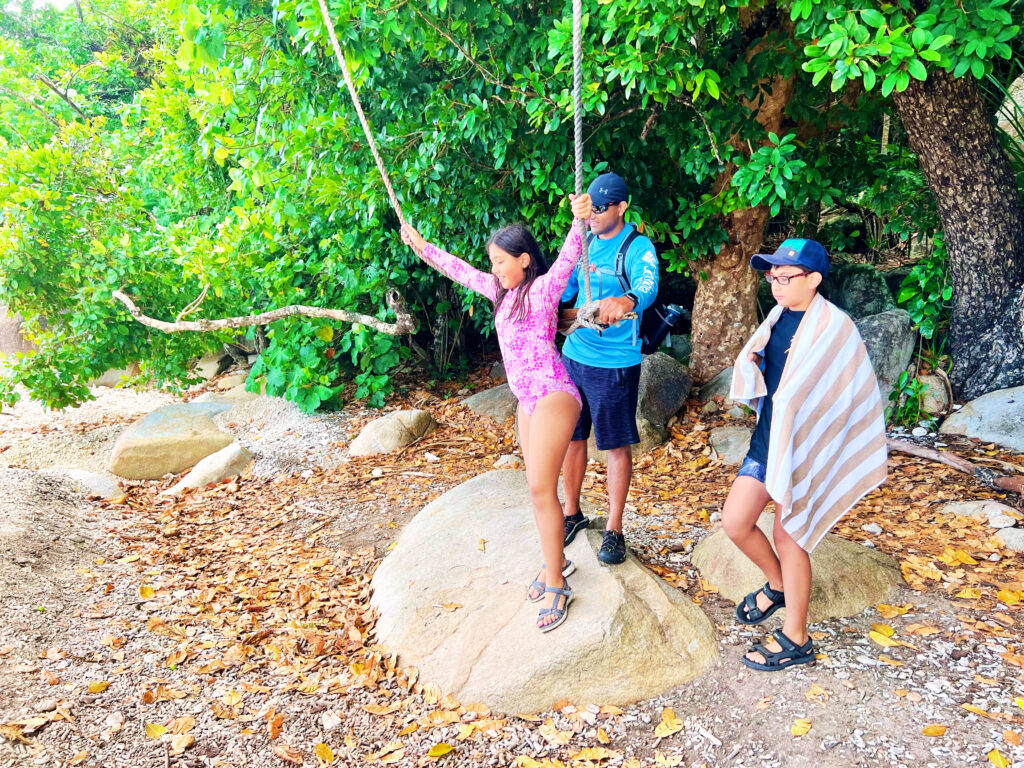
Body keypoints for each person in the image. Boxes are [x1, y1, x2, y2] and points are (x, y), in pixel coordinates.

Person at [400, 193, 593, 632]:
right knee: (536, 491)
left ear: (525, 260)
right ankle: (555, 560)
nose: (495, 268)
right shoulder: (499, 294)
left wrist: (579, 220)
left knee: (541, 490)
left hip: (553, 394)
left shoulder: (543, 289)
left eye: (502, 261)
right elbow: (460, 270)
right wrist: (422, 245)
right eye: (493, 261)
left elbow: (568, 254)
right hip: (527, 402)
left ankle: (557, 581)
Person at [722, 238, 887, 671]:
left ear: (813, 279)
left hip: (808, 450)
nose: (775, 284)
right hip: (770, 441)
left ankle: (797, 636)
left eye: (785, 276)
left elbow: (851, 397)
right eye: (771, 275)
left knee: (788, 534)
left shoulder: (836, 329)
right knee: (735, 521)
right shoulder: (777, 316)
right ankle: (777, 585)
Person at [559, 172, 659, 565]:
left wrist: (627, 299)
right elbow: (564, 290)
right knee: (572, 437)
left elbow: (648, 286)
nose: (595, 215)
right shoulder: (582, 244)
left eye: (603, 208)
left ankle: (614, 529)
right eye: (591, 208)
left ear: (622, 207)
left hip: (614, 364)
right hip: (574, 354)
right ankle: (572, 513)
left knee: (615, 445)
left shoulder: (637, 246)